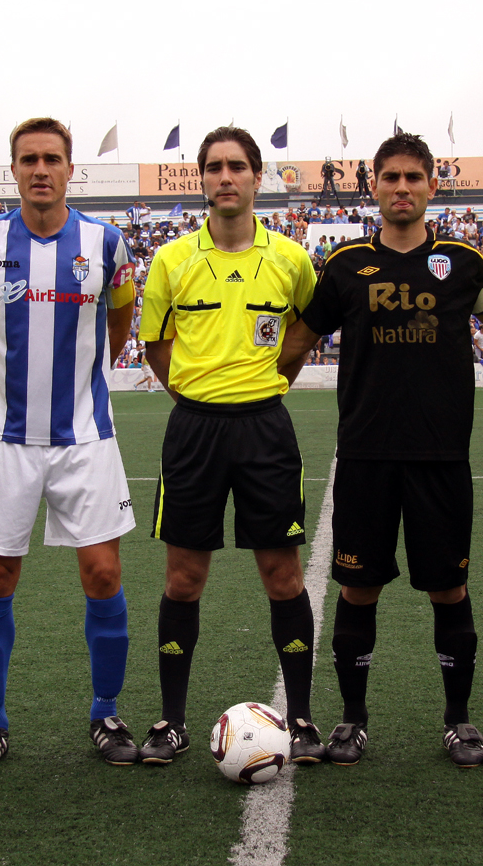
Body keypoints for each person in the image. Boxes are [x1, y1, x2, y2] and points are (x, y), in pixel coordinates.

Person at [277, 132, 483, 767]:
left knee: (448, 590)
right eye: (391, 178)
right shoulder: (345, 265)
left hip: (441, 457)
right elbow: (299, 339)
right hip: (366, 456)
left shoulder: (465, 263)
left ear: (432, 186)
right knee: (358, 588)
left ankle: (458, 720)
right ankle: (352, 719)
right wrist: (258, 393)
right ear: (373, 186)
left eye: (413, 178)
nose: (402, 188)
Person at [0, 118, 140, 770]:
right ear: (13, 168)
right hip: (1, 439)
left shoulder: (105, 243)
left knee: (104, 572)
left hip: (86, 437)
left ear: (69, 169)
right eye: (28, 159)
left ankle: (105, 712)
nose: (40, 169)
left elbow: (121, 315)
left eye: (51, 159)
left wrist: (88, 373)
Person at [139, 126, 325, 766]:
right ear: (202, 179)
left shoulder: (291, 259)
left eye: (237, 166)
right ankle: (171, 721)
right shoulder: (172, 261)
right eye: (215, 167)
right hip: (193, 431)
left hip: (265, 429)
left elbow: (305, 329)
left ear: (256, 176)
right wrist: (197, 394)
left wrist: (269, 381)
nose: (226, 177)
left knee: (283, 575)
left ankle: (301, 718)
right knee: (184, 578)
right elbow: (156, 346)